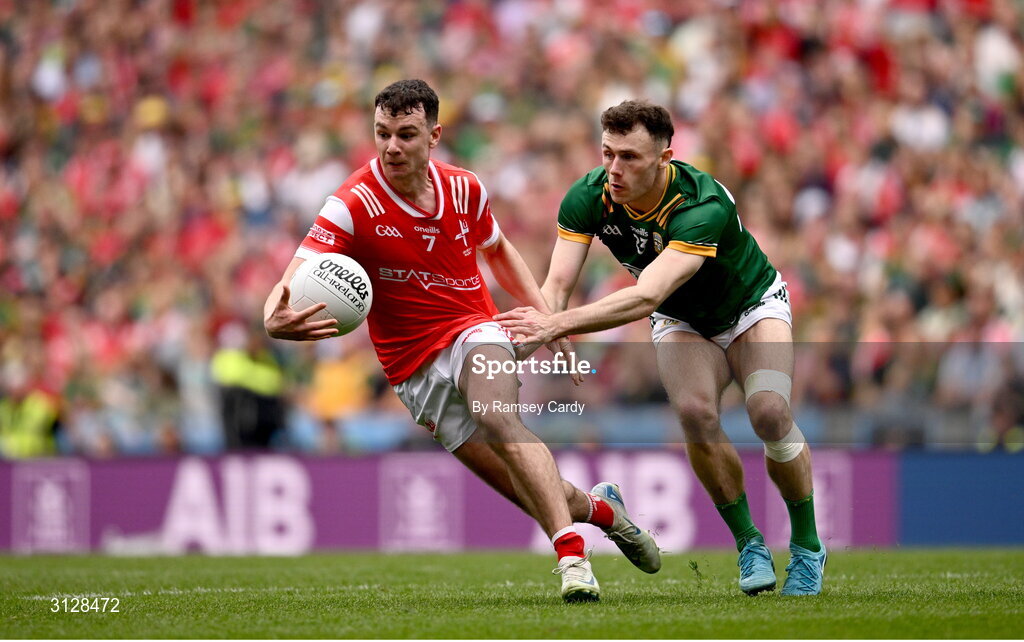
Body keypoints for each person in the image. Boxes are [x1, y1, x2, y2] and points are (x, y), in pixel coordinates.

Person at [263, 80, 660, 602]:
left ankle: (572, 561)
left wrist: (548, 317)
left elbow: (497, 251)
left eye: (406, 134)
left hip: (475, 331)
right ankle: (604, 510)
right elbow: (293, 278)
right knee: (528, 490)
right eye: (382, 133)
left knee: (495, 412)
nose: (391, 147)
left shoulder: (466, 189)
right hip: (411, 370)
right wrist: (274, 317)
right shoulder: (351, 204)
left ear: (434, 135)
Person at [496, 100, 826, 596]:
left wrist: (556, 324)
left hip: (751, 306)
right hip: (681, 319)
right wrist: (540, 331)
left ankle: (807, 548)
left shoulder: (702, 205)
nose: (614, 168)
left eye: (629, 156)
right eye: (607, 153)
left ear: (664, 158)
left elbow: (648, 293)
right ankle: (749, 544)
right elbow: (558, 283)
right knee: (695, 413)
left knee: (769, 412)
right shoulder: (588, 196)